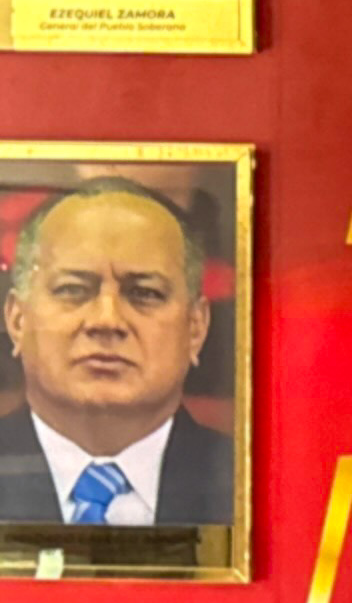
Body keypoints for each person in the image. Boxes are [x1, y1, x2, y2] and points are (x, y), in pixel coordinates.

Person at [0, 179, 232, 529]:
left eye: (145, 293)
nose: (107, 321)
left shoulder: (251, 486)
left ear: (196, 327)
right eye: (73, 290)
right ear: (17, 319)